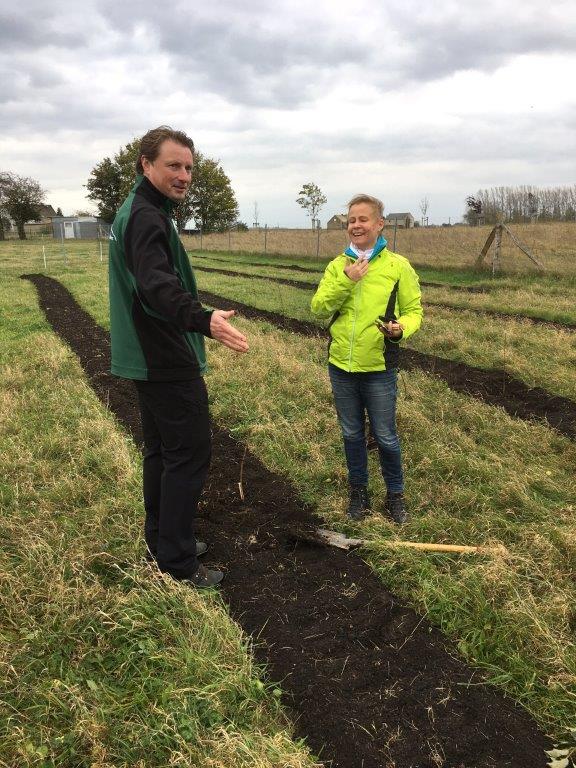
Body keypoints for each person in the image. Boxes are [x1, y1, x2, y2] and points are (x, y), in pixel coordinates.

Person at [108, 126, 248, 587]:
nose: (184, 174)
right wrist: (203, 318)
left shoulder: (144, 210)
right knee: (188, 453)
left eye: (189, 167)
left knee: (162, 452)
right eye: (173, 165)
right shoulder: (147, 216)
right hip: (162, 356)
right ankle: (179, 564)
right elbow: (156, 286)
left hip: (147, 356)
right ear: (146, 165)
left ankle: (164, 540)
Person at [311, 194, 423, 524]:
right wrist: (347, 280)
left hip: (378, 367)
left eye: (363, 220)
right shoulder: (337, 266)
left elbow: (415, 311)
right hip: (341, 367)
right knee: (351, 434)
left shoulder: (397, 266)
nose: (356, 225)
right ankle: (359, 493)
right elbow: (318, 308)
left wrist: (401, 329)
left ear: (379, 224)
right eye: (351, 221)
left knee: (386, 436)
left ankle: (395, 496)